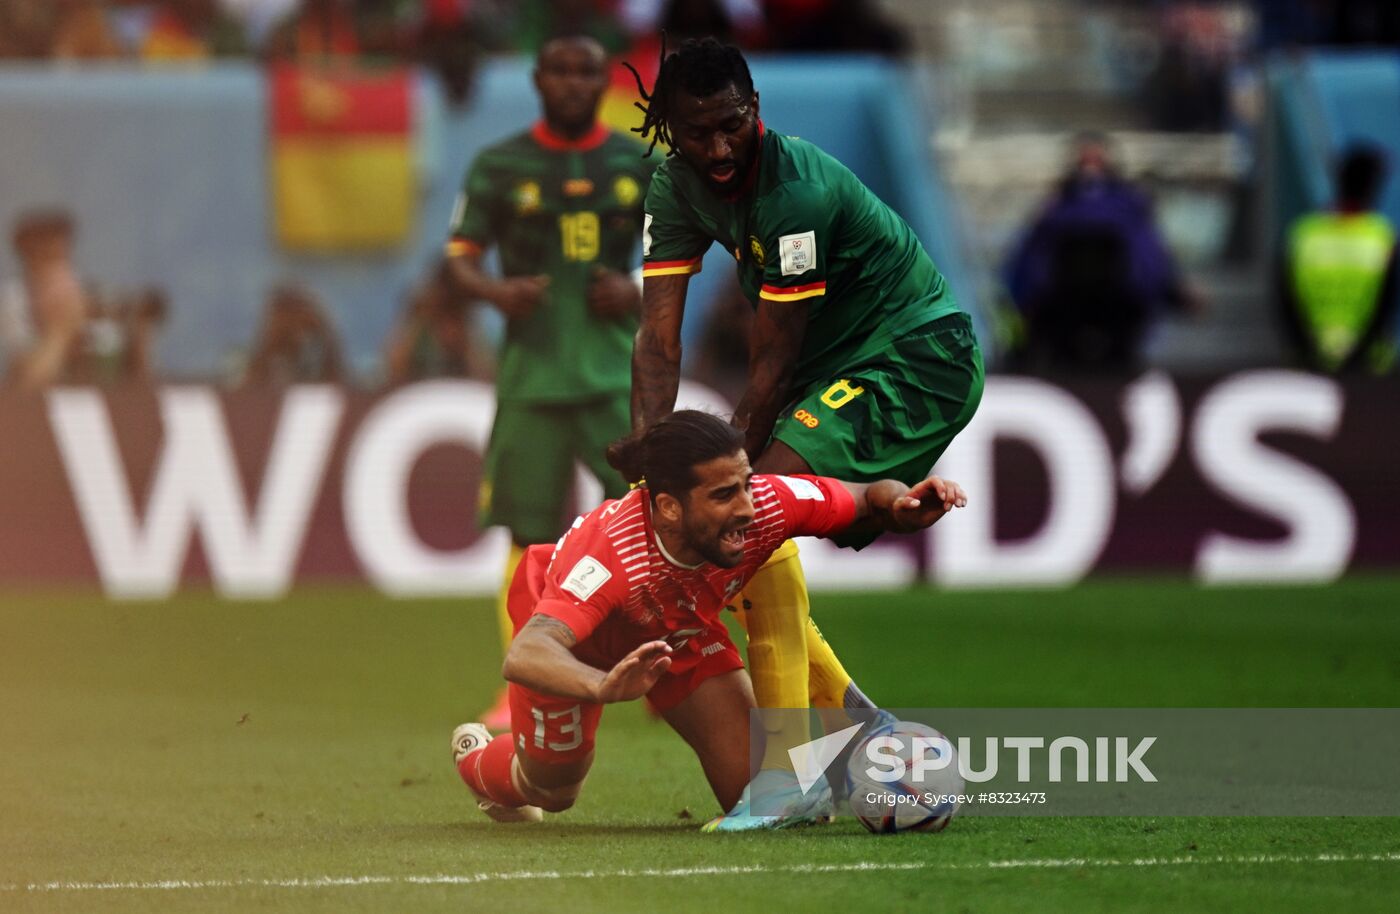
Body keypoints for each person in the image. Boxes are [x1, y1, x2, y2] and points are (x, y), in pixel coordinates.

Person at [626, 37, 984, 829]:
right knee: (739, 520)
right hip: (839, 368)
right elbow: (657, 341)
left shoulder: (796, 194)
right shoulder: (674, 186)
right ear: (668, 129)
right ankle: (858, 727)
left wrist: (708, 477)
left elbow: (771, 361)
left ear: (757, 109)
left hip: (916, 356)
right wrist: (651, 468)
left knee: (745, 511)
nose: (718, 149)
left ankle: (789, 773)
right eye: (697, 133)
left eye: (732, 126)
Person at [451, 410, 967, 825]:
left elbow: (860, 496)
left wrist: (899, 503)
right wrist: (603, 684)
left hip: (676, 636)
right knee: (552, 789)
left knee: (762, 793)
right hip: (579, 649)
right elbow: (530, 652)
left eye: (744, 484)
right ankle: (479, 758)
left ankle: (859, 765)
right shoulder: (609, 557)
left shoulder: (765, 504)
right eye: (724, 495)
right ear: (669, 508)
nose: (746, 507)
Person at [446, 35, 656, 731]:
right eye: (559, 71)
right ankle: (520, 687)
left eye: (585, 72)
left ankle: (666, 670)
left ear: (604, 82)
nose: (572, 83)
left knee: (650, 525)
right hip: (532, 378)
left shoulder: (636, 163)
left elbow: (678, 256)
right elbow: (460, 259)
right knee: (524, 535)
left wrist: (633, 291)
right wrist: (496, 292)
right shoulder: (502, 164)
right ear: (538, 80)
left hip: (614, 376)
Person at [1005, 132, 1200, 374]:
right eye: (1085, 162)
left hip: (1122, 305)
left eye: (1096, 162)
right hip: (1059, 307)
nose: (1090, 171)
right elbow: (1028, 261)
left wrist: (1174, 286)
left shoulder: (1130, 207)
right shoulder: (1054, 209)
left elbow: (1151, 256)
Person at [1279, 144, 1398, 375]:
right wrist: (1357, 355)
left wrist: (1309, 349)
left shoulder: (1303, 235)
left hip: (1310, 366)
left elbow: (1286, 302)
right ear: (1373, 187)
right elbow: (1387, 305)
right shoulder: (1382, 237)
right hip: (1370, 370)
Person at [1, 210, 89, 389]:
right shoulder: (15, 300)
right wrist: (61, 331)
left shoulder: (76, 290)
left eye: (63, 257)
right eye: (49, 258)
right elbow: (26, 381)